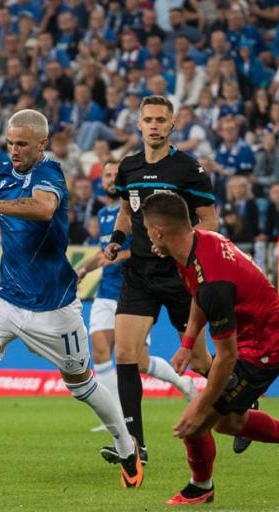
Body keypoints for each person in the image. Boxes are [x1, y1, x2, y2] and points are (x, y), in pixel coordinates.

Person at [0, 110, 143, 489]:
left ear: (42, 144)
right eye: (10, 143)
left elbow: (41, 208)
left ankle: (126, 446)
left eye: (22, 144)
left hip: (54, 308)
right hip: (8, 297)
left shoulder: (50, 174)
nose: (14, 150)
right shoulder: (1, 170)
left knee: (82, 385)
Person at [140, 191, 279, 505]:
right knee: (231, 423)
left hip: (265, 345)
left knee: (196, 424)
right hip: (254, 336)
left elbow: (227, 355)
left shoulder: (213, 277)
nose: (149, 238)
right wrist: (188, 343)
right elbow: (199, 295)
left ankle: (201, 487)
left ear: (159, 230)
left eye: (149, 230)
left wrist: (199, 406)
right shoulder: (197, 244)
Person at [101, 95, 217, 465]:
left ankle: (238, 394)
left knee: (200, 361)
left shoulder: (188, 169)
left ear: (172, 125)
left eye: (160, 120)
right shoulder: (128, 167)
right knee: (125, 352)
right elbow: (125, 210)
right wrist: (117, 240)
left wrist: (191, 255)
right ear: (139, 124)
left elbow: (209, 220)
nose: (154, 125)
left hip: (179, 275)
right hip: (139, 275)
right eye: (148, 119)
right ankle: (134, 445)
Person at [75, 160, 196, 437]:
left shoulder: (140, 214)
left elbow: (140, 250)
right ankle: (114, 416)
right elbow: (105, 253)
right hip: (107, 292)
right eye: (105, 175)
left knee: (137, 361)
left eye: (112, 175)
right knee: (101, 348)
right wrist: (84, 269)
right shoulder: (106, 215)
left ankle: (184, 384)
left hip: (134, 289)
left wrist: (119, 256)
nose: (108, 179)